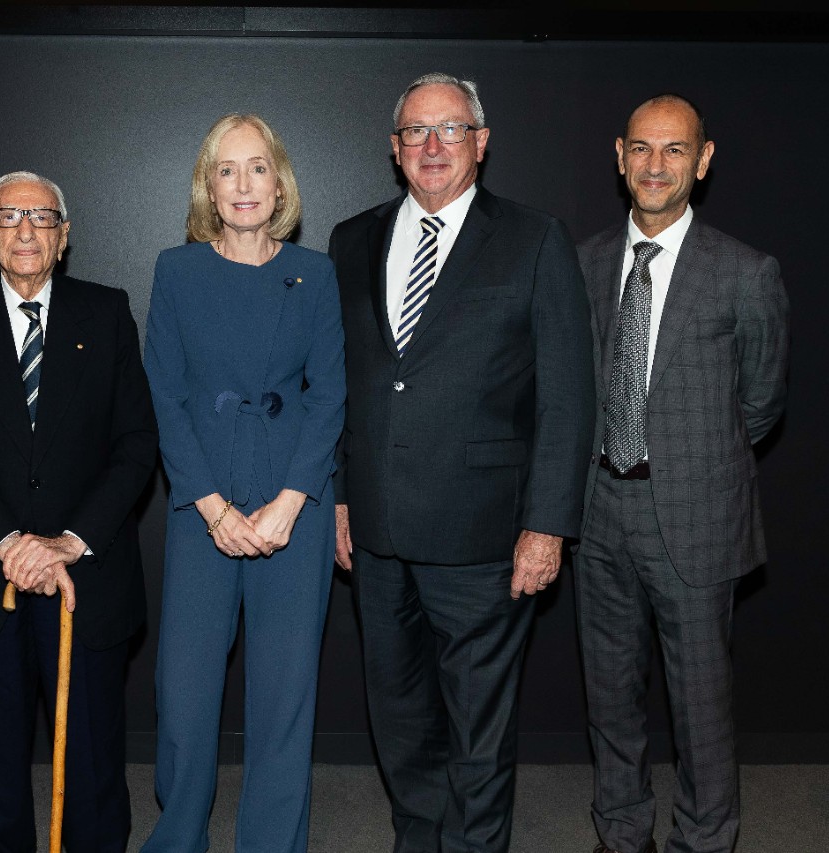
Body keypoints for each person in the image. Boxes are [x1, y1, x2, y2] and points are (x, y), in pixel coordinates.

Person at [328, 72, 594, 853]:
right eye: (416, 131)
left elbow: (567, 397)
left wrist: (547, 526)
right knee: (400, 718)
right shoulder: (351, 240)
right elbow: (343, 383)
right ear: (395, 148)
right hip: (378, 534)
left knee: (478, 731)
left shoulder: (535, 238)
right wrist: (340, 496)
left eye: (451, 129)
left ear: (481, 142)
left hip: (485, 538)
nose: (433, 145)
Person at [0, 171, 158, 852]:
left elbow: (136, 442)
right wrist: (8, 541)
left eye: (43, 217)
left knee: (92, 758)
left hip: (87, 576)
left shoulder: (106, 312)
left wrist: (69, 540)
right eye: (9, 217)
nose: (26, 230)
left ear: (64, 234)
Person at [574, 94, 789, 853]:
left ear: (703, 160)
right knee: (609, 694)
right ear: (619, 156)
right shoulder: (586, 261)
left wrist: (694, 459)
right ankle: (621, 830)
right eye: (641, 148)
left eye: (674, 150)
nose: (655, 165)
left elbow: (760, 403)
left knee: (701, 703)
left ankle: (703, 839)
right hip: (598, 511)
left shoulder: (746, 272)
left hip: (696, 517)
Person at [140, 113, 346, 853]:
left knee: (284, 699)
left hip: (296, 502)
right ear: (208, 185)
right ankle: (178, 838)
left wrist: (292, 502)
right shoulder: (177, 270)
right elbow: (163, 395)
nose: (243, 184)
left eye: (257, 167)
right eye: (226, 169)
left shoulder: (316, 273)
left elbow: (330, 394)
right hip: (203, 504)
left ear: (279, 182)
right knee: (185, 694)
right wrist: (212, 506)